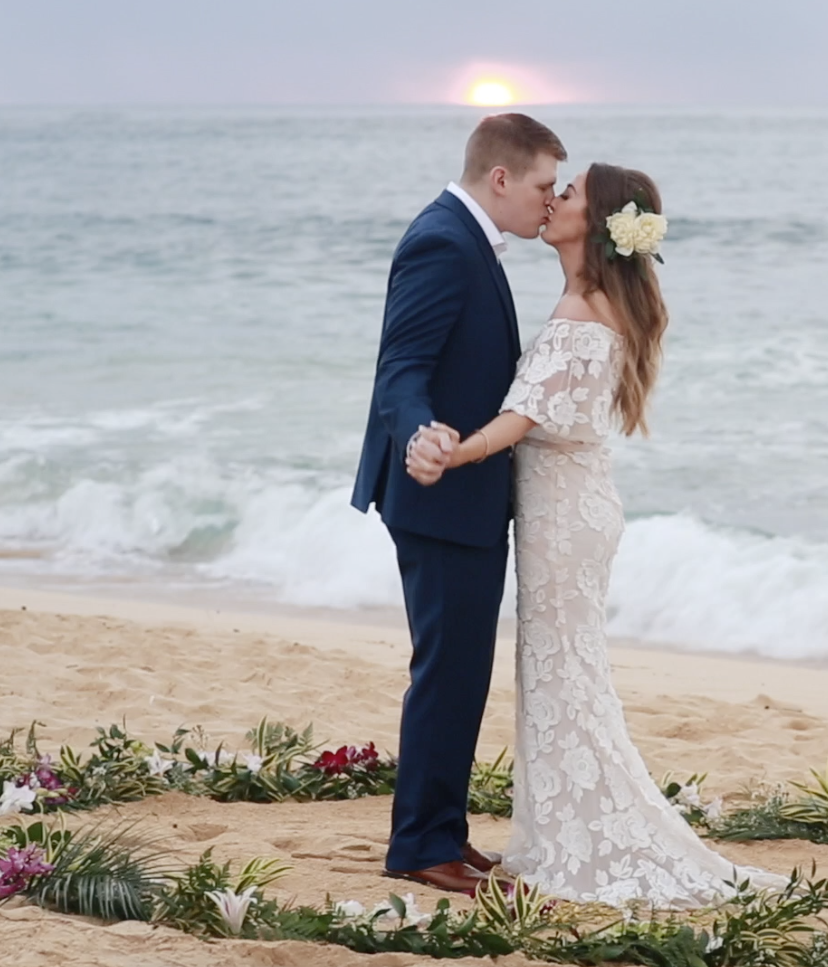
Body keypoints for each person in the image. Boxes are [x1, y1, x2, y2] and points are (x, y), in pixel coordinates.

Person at [407, 162, 788, 907]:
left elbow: (522, 420)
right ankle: (560, 829)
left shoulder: (583, 314)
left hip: (563, 517)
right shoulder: (592, 301)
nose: (553, 199)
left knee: (561, 674)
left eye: (570, 192)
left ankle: (581, 835)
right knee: (562, 672)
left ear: (600, 221)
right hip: (572, 505)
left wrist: (455, 451)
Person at [351, 113, 565, 895]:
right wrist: (421, 434)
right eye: (543, 184)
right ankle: (419, 845)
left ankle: (442, 830)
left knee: (462, 668)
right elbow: (400, 368)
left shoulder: (466, 237)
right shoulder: (443, 240)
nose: (550, 200)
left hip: (461, 495)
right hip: (438, 494)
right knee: (447, 671)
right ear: (501, 177)